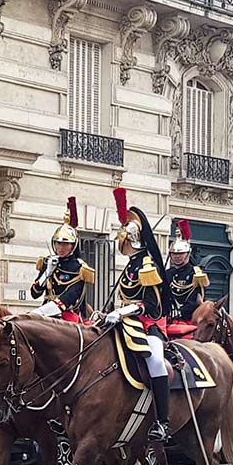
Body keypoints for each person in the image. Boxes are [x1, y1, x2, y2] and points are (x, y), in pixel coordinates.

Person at [102, 188, 173, 443]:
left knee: (155, 360)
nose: (122, 245)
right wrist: (110, 312)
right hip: (126, 322)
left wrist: (124, 311)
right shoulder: (130, 265)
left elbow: (151, 305)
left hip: (148, 325)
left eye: (124, 241)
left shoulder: (146, 265)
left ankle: (162, 422)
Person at [29, 197, 95, 322]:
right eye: (58, 243)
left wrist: (40, 312)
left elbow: (70, 297)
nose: (60, 247)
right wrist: (47, 273)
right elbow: (34, 293)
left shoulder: (79, 268)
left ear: (73, 245)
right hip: (44, 314)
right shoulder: (48, 262)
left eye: (65, 244)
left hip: (66, 315)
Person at [164, 220, 210, 326]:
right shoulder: (167, 273)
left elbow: (196, 299)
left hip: (188, 319)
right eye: (174, 254)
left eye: (180, 253)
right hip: (167, 318)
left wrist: (180, 312)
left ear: (187, 254)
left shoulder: (196, 274)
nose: (177, 257)